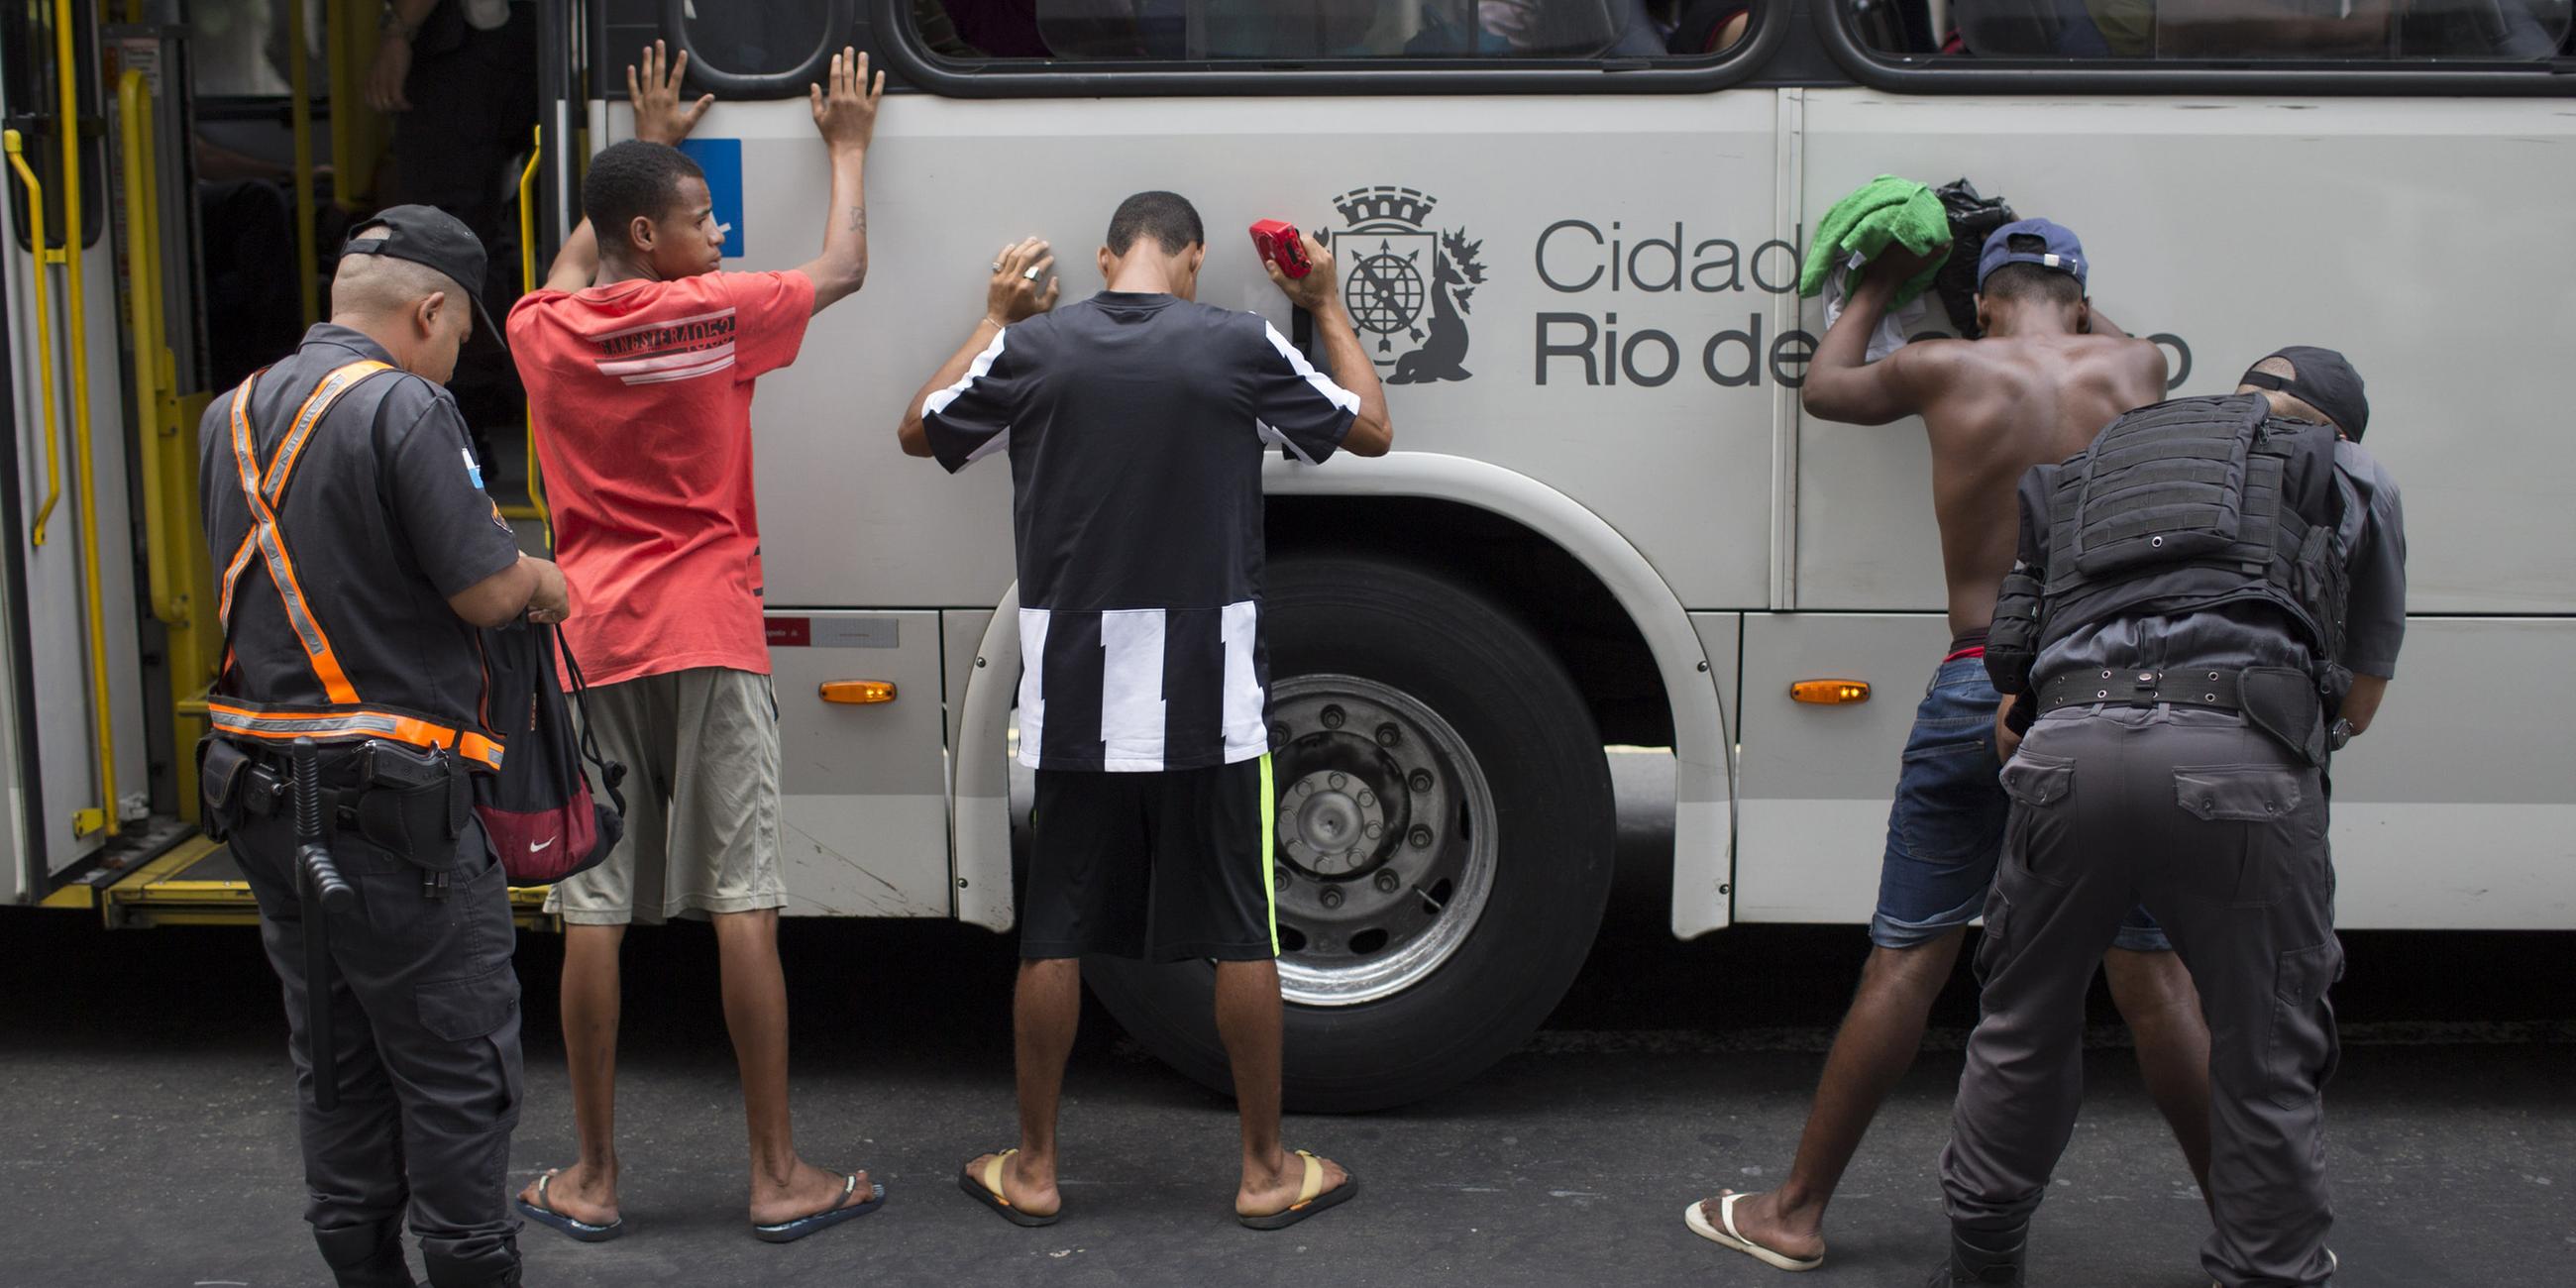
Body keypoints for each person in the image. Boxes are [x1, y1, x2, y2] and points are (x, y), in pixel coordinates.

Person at [1687, 219, 2215, 1272]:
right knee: (2152, 977)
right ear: (2078, 303)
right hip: (2110, 693)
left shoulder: (1941, 365)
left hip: (1980, 678)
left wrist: (1884, 279)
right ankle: (2254, 1225)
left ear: (1977, 305)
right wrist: (2064, 292)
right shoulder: (2137, 367)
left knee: (1908, 959)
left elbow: (1825, 388)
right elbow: (2104, 335)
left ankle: (1794, 1212)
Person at [899, 192, 1391, 1230]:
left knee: (1054, 932)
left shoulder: (1037, 349)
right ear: (1192, 259)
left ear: (1104, 255)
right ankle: (1264, 1171)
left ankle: (1035, 1169)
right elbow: (1372, 431)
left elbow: (919, 430)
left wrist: (995, 316)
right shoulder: (1235, 344)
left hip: (1075, 693)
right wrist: (1326, 304)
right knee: (1242, 932)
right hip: (1211, 693)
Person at [501, 45, 886, 1243]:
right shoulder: (717, 314)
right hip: (710, 632)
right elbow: (844, 266)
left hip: (591, 639)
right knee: (743, 906)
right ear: (648, 236)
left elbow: (570, 268)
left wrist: (648, 147)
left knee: (593, 912)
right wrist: (848, 146)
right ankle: (775, 1175)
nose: (717, 234)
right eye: (698, 217)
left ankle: (592, 1177)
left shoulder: (541, 330)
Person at [1936, 347, 2404, 1287]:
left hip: (2066, 753)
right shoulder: (2348, 470)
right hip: (2240, 764)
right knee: (2264, 1053)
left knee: (2021, 1025)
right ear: (2336, 426)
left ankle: (1980, 1265)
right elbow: (2358, 699)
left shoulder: (2099, 464)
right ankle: (2268, 1269)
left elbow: (2009, 696)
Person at [197, 205, 571, 1288]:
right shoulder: (406, 406)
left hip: (267, 797)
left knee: (337, 1060)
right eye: (459, 335)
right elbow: (487, 588)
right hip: (394, 814)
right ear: (429, 310)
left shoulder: (230, 412)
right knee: (456, 1061)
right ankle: (467, 1262)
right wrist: (548, 580)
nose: (456, 359)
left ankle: (361, 1266)